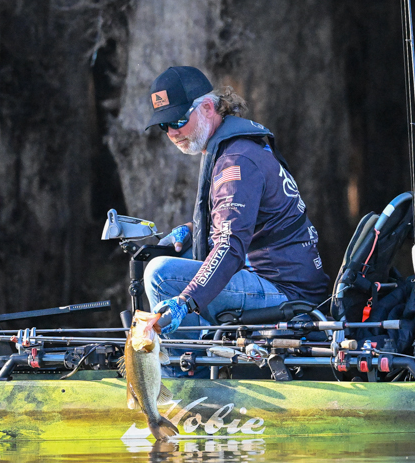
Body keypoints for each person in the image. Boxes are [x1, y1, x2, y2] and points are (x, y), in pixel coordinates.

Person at [142, 66, 331, 337]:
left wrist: (185, 302)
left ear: (207, 107)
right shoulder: (233, 147)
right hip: (278, 280)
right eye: (164, 124)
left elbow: (229, 247)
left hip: (285, 293)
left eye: (178, 120)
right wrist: (192, 230)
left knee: (161, 274)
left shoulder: (236, 161)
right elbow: (244, 223)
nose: (172, 132)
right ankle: (204, 351)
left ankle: (183, 375)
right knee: (174, 254)